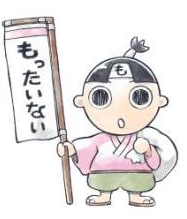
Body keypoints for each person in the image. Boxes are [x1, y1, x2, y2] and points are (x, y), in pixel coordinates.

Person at [57, 37, 177, 207]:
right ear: (82, 101)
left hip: (137, 175)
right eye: (101, 97)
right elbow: (87, 148)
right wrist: (71, 149)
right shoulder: (101, 139)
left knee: (139, 182)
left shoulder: (143, 137)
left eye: (140, 97)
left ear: (159, 101)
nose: (120, 111)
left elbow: (154, 162)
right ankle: (104, 194)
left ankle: (136, 195)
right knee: (102, 181)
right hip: (103, 174)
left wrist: (148, 150)